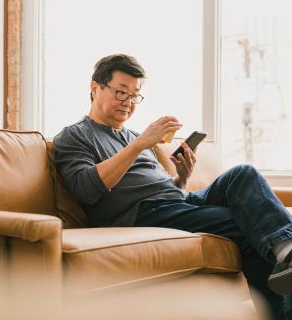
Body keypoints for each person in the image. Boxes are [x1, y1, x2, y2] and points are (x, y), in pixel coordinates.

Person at [53, 54, 292, 319]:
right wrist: (140, 145)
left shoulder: (133, 137)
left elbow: (166, 189)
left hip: (177, 201)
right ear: (95, 87)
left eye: (135, 96)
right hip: (143, 213)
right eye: (122, 93)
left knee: (242, 174)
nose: (129, 103)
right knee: (252, 227)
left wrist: (181, 176)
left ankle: (288, 253)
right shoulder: (75, 136)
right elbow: (85, 189)